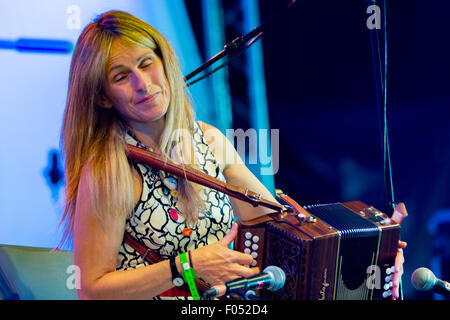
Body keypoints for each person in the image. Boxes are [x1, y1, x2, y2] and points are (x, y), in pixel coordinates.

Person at [60, 10, 406, 300]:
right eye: (122, 77)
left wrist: (375, 256)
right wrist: (186, 268)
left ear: (165, 61)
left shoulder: (209, 140)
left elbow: (280, 229)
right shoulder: (108, 171)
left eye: (146, 63)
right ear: (104, 97)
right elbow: (91, 289)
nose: (142, 83)